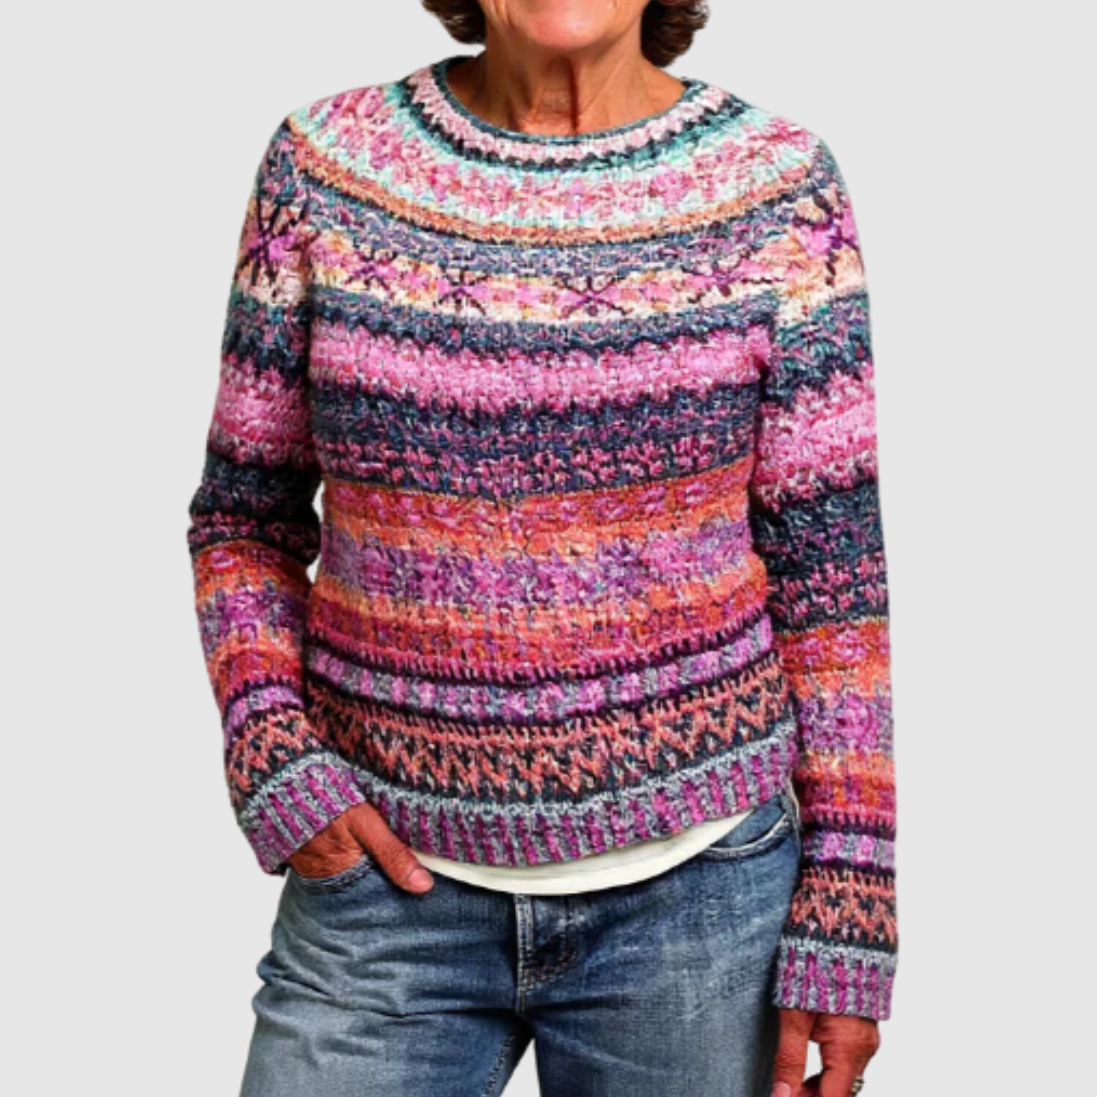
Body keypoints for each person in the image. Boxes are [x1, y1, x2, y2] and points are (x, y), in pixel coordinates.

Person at [184, 2, 897, 1094]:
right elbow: (244, 517)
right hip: (382, 895)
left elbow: (831, 580)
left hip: (700, 904)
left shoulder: (776, 187)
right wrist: (273, 756)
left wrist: (851, 906)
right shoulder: (324, 167)